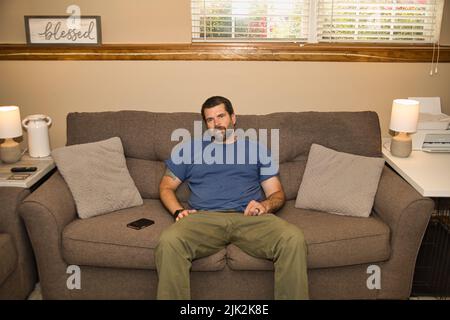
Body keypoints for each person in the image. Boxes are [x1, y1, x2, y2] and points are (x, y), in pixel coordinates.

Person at [155, 96, 308, 300]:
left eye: (221, 116)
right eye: (210, 119)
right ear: (206, 124)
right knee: (169, 241)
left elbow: (277, 194)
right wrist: (178, 210)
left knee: (293, 238)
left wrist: (265, 205)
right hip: (204, 218)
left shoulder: (257, 149)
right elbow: (166, 186)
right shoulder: (188, 149)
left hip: (249, 218)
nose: (216, 123)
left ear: (233, 117)